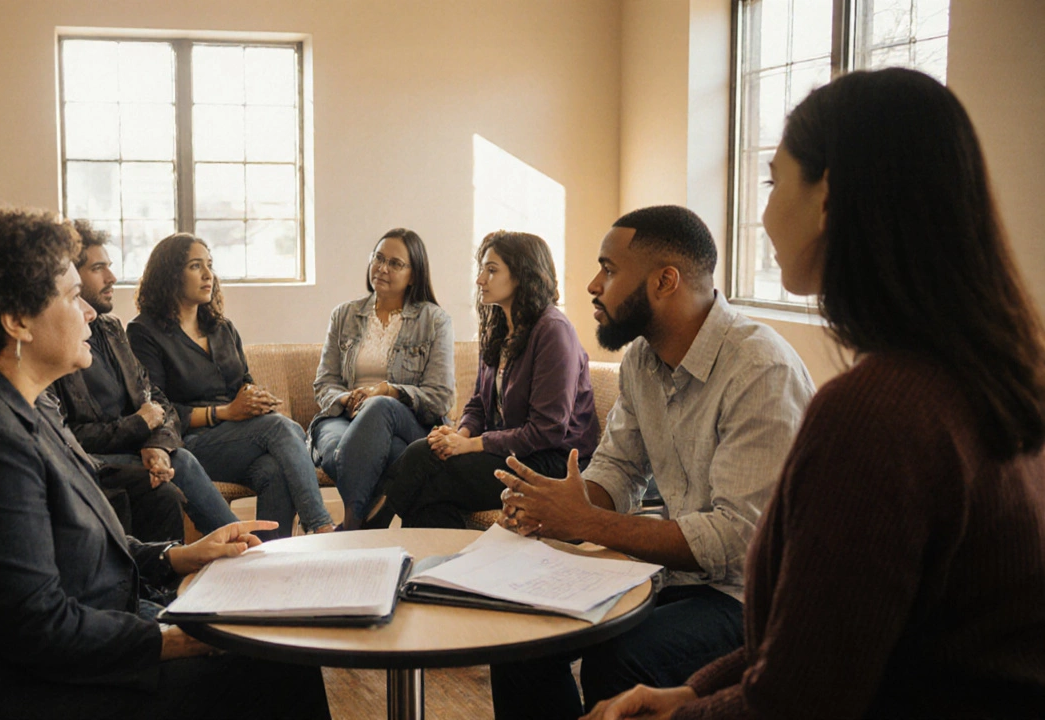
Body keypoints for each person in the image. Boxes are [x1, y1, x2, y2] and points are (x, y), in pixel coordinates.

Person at [584, 68, 1045, 720]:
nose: (764, 212)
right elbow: (825, 633)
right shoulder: (984, 377)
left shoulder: (877, 413)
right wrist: (695, 689)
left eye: (773, 183)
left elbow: (797, 702)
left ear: (828, 199)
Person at [0, 208, 330, 719]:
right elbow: (39, 630)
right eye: (72, 296)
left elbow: (86, 543)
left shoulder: (23, 405)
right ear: (17, 321)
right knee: (280, 666)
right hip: (35, 690)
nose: (91, 314)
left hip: (94, 638)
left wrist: (180, 556)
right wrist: (175, 638)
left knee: (278, 646)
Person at [489, 206, 815, 719]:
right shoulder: (643, 358)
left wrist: (590, 522)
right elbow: (618, 467)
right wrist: (560, 505)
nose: (594, 284)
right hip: (680, 579)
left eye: (609, 269)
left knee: (620, 658)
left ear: (666, 281)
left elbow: (737, 541)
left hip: (753, 600)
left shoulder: (759, 369)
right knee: (524, 640)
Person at [367, 230, 597, 529]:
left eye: (492, 270)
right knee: (429, 471)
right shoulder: (498, 327)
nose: (480, 280)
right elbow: (477, 404)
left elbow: (547, 431)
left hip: (552, 463)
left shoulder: (553, 331)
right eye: (482, 270)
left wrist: (472, 445)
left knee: (426, 472)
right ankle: (436, 568)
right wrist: (459, 436)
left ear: (522, 275)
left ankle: (362, 535)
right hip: (511, 452)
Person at [128, 233, 334, 538]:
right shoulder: (144, 332)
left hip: (238, 440)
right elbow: (158, 408)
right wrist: (224, 412)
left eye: (209, 265)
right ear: (170, 274)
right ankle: (321, 525)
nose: (208, 275)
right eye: (195, 266)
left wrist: (254, 398)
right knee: (282, 427)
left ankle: (264, 558)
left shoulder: (222, 328)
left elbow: (243, 383)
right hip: (190, 442)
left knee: (274, 471)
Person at [51, 221, 237, 541]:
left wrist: (156, 443)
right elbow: (70, 436)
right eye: (98, 269)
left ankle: (250, 551)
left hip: (140, 448)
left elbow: (157, 401)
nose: (111, 277)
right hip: (97, 458)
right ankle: (239, 546)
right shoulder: (57, 342)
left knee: (270, 455)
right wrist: (140, 427)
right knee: (179, 467)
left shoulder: (111, 329)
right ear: (69, 277)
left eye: (109, 267)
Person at [309, 228, 455, 529]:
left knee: (379, 407)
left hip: (407, 422)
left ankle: (351, 525)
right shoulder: (344, 315)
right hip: (343, 417)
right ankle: (370, 527)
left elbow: (440, 397)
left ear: (414, 274)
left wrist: (389, 391)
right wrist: (347, 398)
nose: (382, 268)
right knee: (356, 455)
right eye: (378, 258)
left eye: (395, 263)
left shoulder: (435, 320)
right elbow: (324, 383)